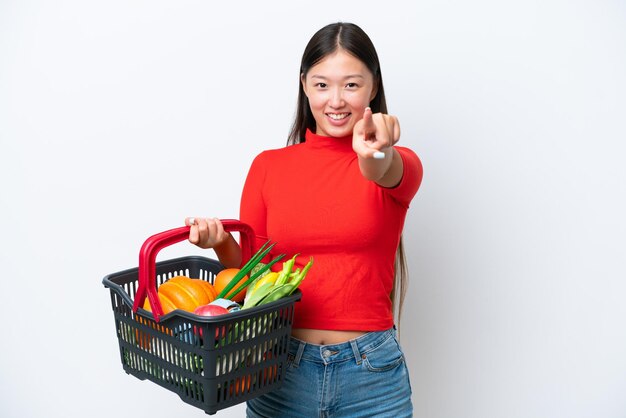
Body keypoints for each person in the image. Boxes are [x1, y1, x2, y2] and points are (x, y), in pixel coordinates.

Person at [187, 22, 423, 418]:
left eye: (351, 85)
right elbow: (251, 276)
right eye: (321, 85)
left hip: (371, 375)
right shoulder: (268, 167)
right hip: (279, 368)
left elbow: (383, 167)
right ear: (304, 85)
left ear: (373, 87)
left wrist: (379, 149)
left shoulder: (400, 164)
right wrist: (219, 243)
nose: (336, 100)